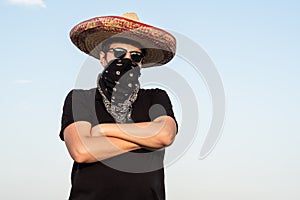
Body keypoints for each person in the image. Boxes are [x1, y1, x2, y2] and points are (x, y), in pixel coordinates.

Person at [59, 12, 178, 200]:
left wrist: (102, 130)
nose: (127, 60)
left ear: (140, 64)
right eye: (119, 52)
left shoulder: (155, 97)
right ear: (103, 57)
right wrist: (146, 138)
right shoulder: (80, 98)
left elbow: (165, 135)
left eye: (136, 56)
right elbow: (81, 151)